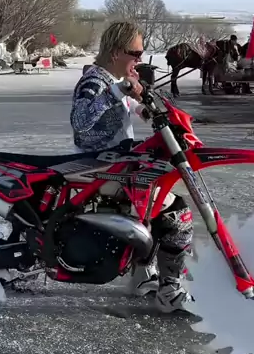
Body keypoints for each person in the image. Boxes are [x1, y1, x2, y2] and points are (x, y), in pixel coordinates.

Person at [70, 21, 193, 313]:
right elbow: (80, 121)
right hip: (100, 170)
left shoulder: (110, 79)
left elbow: (126, 105)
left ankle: (142, 275)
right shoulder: (94, 82)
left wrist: (144, 106)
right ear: (116, 52)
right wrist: (116, 91)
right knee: (177, 213)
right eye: (135, 53)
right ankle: (169, 290)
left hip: (117, 165)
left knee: (153, 206)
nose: (139, 59)